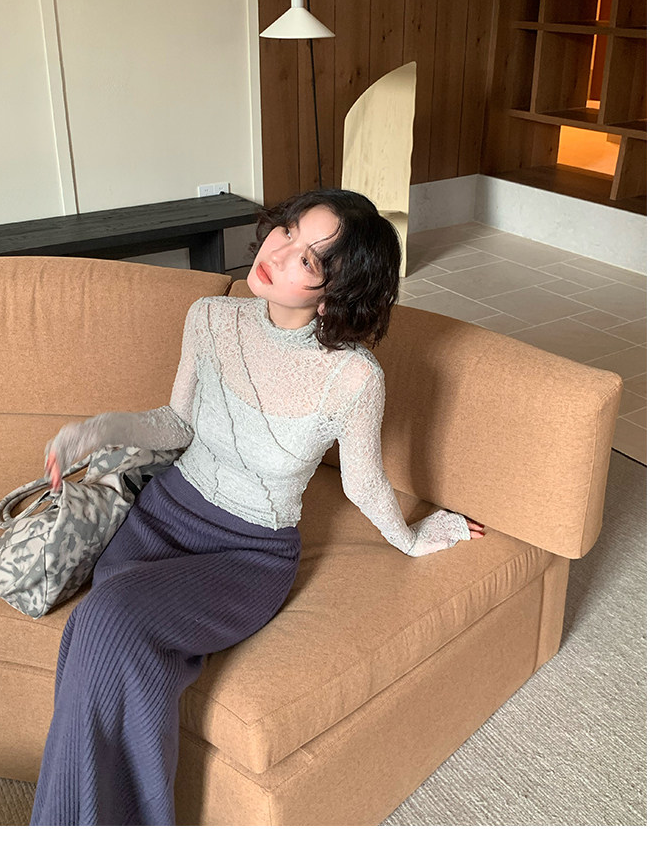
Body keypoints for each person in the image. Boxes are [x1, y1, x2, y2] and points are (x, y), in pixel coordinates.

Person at [30, 188, 485, 826]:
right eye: (289, 230)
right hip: (161, 518)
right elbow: (177, 422)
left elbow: (362, 483)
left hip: (249, 555)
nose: (278, 251)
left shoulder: (353, 377)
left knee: (106, 623)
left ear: (336, 292)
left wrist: (410, 538)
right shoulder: (210, 317)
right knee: (111, 637)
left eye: (309, 258)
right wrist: (94, 432)